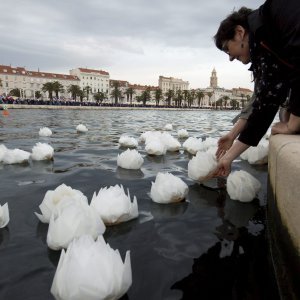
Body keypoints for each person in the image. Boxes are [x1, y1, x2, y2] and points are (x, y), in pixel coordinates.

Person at [212, 0, 300, 177]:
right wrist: (231, 142)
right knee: (286, 113)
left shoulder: (278, 14)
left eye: (227, 49)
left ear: (239, 32)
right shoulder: (265, 44)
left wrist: (293, 125)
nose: (230, 58)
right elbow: (264, 101)